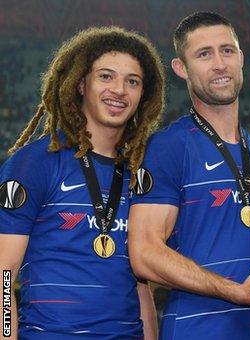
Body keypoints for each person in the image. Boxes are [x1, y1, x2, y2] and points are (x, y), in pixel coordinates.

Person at [127, 12, 250, 339]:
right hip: (195, 329)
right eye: (204, 54)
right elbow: (144, 254)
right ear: (181, 68)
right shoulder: (169, 147)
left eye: (227, 51)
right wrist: (236, 291)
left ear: (241, 58)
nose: (219, 64)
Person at [0, 26, 165, 339]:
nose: (119, 89)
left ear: (143, 94)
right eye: (106, 76)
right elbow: (3, 276)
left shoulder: (140, 174)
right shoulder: (34, 164)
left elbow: (140, 283)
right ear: (80, 84)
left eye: (133, 81)